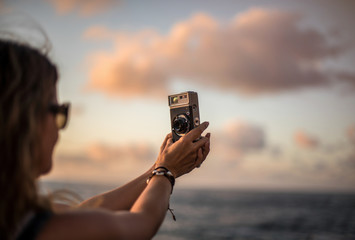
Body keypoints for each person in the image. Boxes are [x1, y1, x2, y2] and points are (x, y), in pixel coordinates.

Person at [0, 38, 211, 240]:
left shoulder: (12, 213)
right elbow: (140, 224)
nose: (59, 129)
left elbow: (82, 212)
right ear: (22, 119)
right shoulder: (32, 228)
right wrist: (166, 172)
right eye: (58, 111)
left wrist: (159, 166)